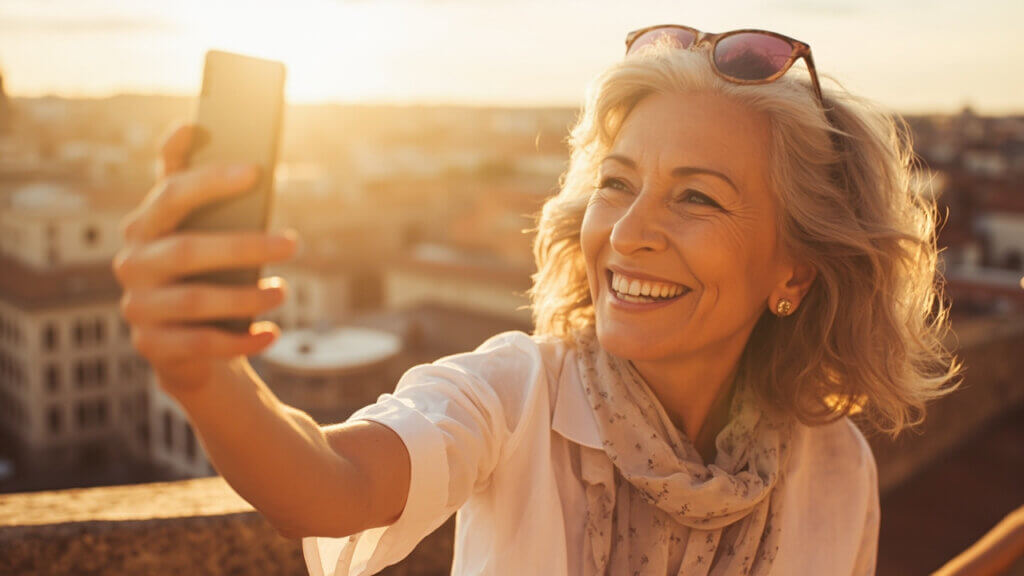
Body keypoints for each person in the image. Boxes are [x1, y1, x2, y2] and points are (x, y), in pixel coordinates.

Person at [113, 24, 963, 576]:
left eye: (696, 197)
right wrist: (206, 374)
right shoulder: (514, 397)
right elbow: (327, 484)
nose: (628, 232)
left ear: (796, 273)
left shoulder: (837, 468)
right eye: (616, 184)